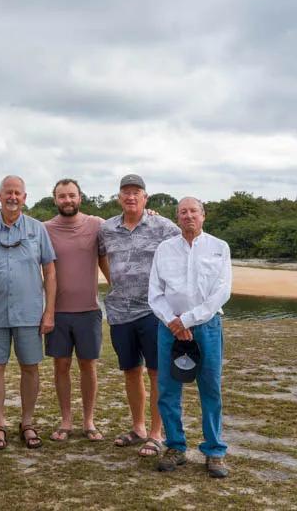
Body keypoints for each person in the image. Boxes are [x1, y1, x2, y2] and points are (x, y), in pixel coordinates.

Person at [0, 175, 56, 451]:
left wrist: (49, 311)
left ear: (24, 197)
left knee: (30, 367)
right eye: (8, 192)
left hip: (29, 312)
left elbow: (50, 271)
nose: (12, 197)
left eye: (17, 193)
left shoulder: (37, 229)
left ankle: (27, 423)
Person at [149, 197, 232, 477]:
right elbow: (155, 293)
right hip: (168, 326)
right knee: (168, 388)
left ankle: (215, 450)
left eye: (193, 211)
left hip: (206, 327)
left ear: (203, 215)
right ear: (177, 217)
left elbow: (221, 293)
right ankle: (175, 446)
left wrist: (187, 320)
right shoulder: (164, 249)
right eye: (182, 212)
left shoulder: (219, 248)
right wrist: (173, 321)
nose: (188, 216)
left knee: (210, 388)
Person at [99, 174, 180, 457]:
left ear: (146, 198)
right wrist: (113, 282)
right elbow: (99, 254)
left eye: (136, 192)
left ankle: (157, 434)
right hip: (120, 311)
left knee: (157, 373)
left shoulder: (162, 226)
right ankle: (138, 428)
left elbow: (185, 249)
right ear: (119, 197)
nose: (130, 197)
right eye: (125, 192)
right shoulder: (107, 228)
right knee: (131, 371)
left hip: (153, 311)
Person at [43, 179, 109, 442]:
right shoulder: (44, 229)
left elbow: (108, 254)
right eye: (62, 196)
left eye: (72, 195)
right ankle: (66, 420)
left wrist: (151, 214)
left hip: (89, 309)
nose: (67, 200)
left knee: (88, 365)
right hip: (57, 311)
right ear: (55, 199)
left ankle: (89, 421)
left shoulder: (97, 225)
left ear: (80, 197)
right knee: (61, 365)